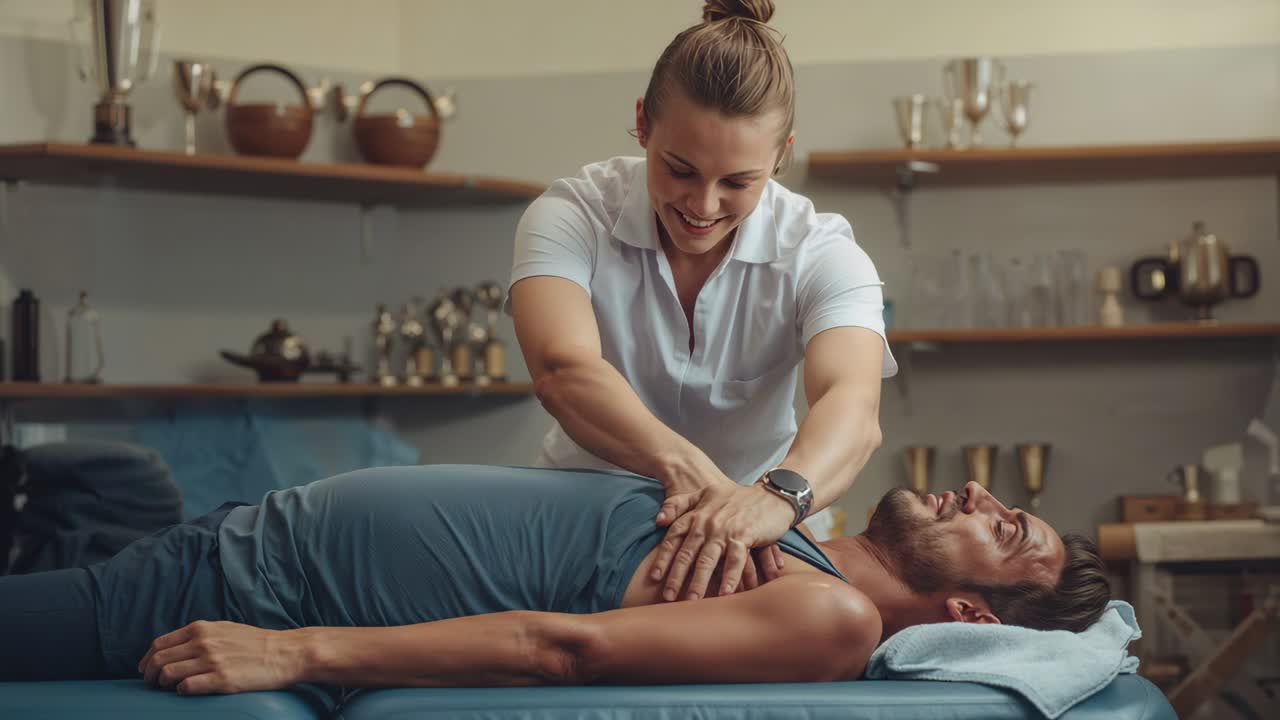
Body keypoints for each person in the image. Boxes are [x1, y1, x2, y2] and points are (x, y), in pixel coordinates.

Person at [0, 464, 1110, 695]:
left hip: (260, 590)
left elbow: (560, 645)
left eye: (1005, 529)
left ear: (969, 613)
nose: (975, 490)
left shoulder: (828, 613)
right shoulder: (795, 531)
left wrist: (293, 652)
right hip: (256, 536)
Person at [507, 0, 897, 603]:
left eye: (739, 182)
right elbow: (563, 369)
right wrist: (696, 477)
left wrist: (774, 498)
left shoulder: (823, 253)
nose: (704, 204)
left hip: (757, 542)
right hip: (580, 527)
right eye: (680, 170)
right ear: (642, 123)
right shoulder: (571, 215)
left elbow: (851, 403)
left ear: (781, 154)